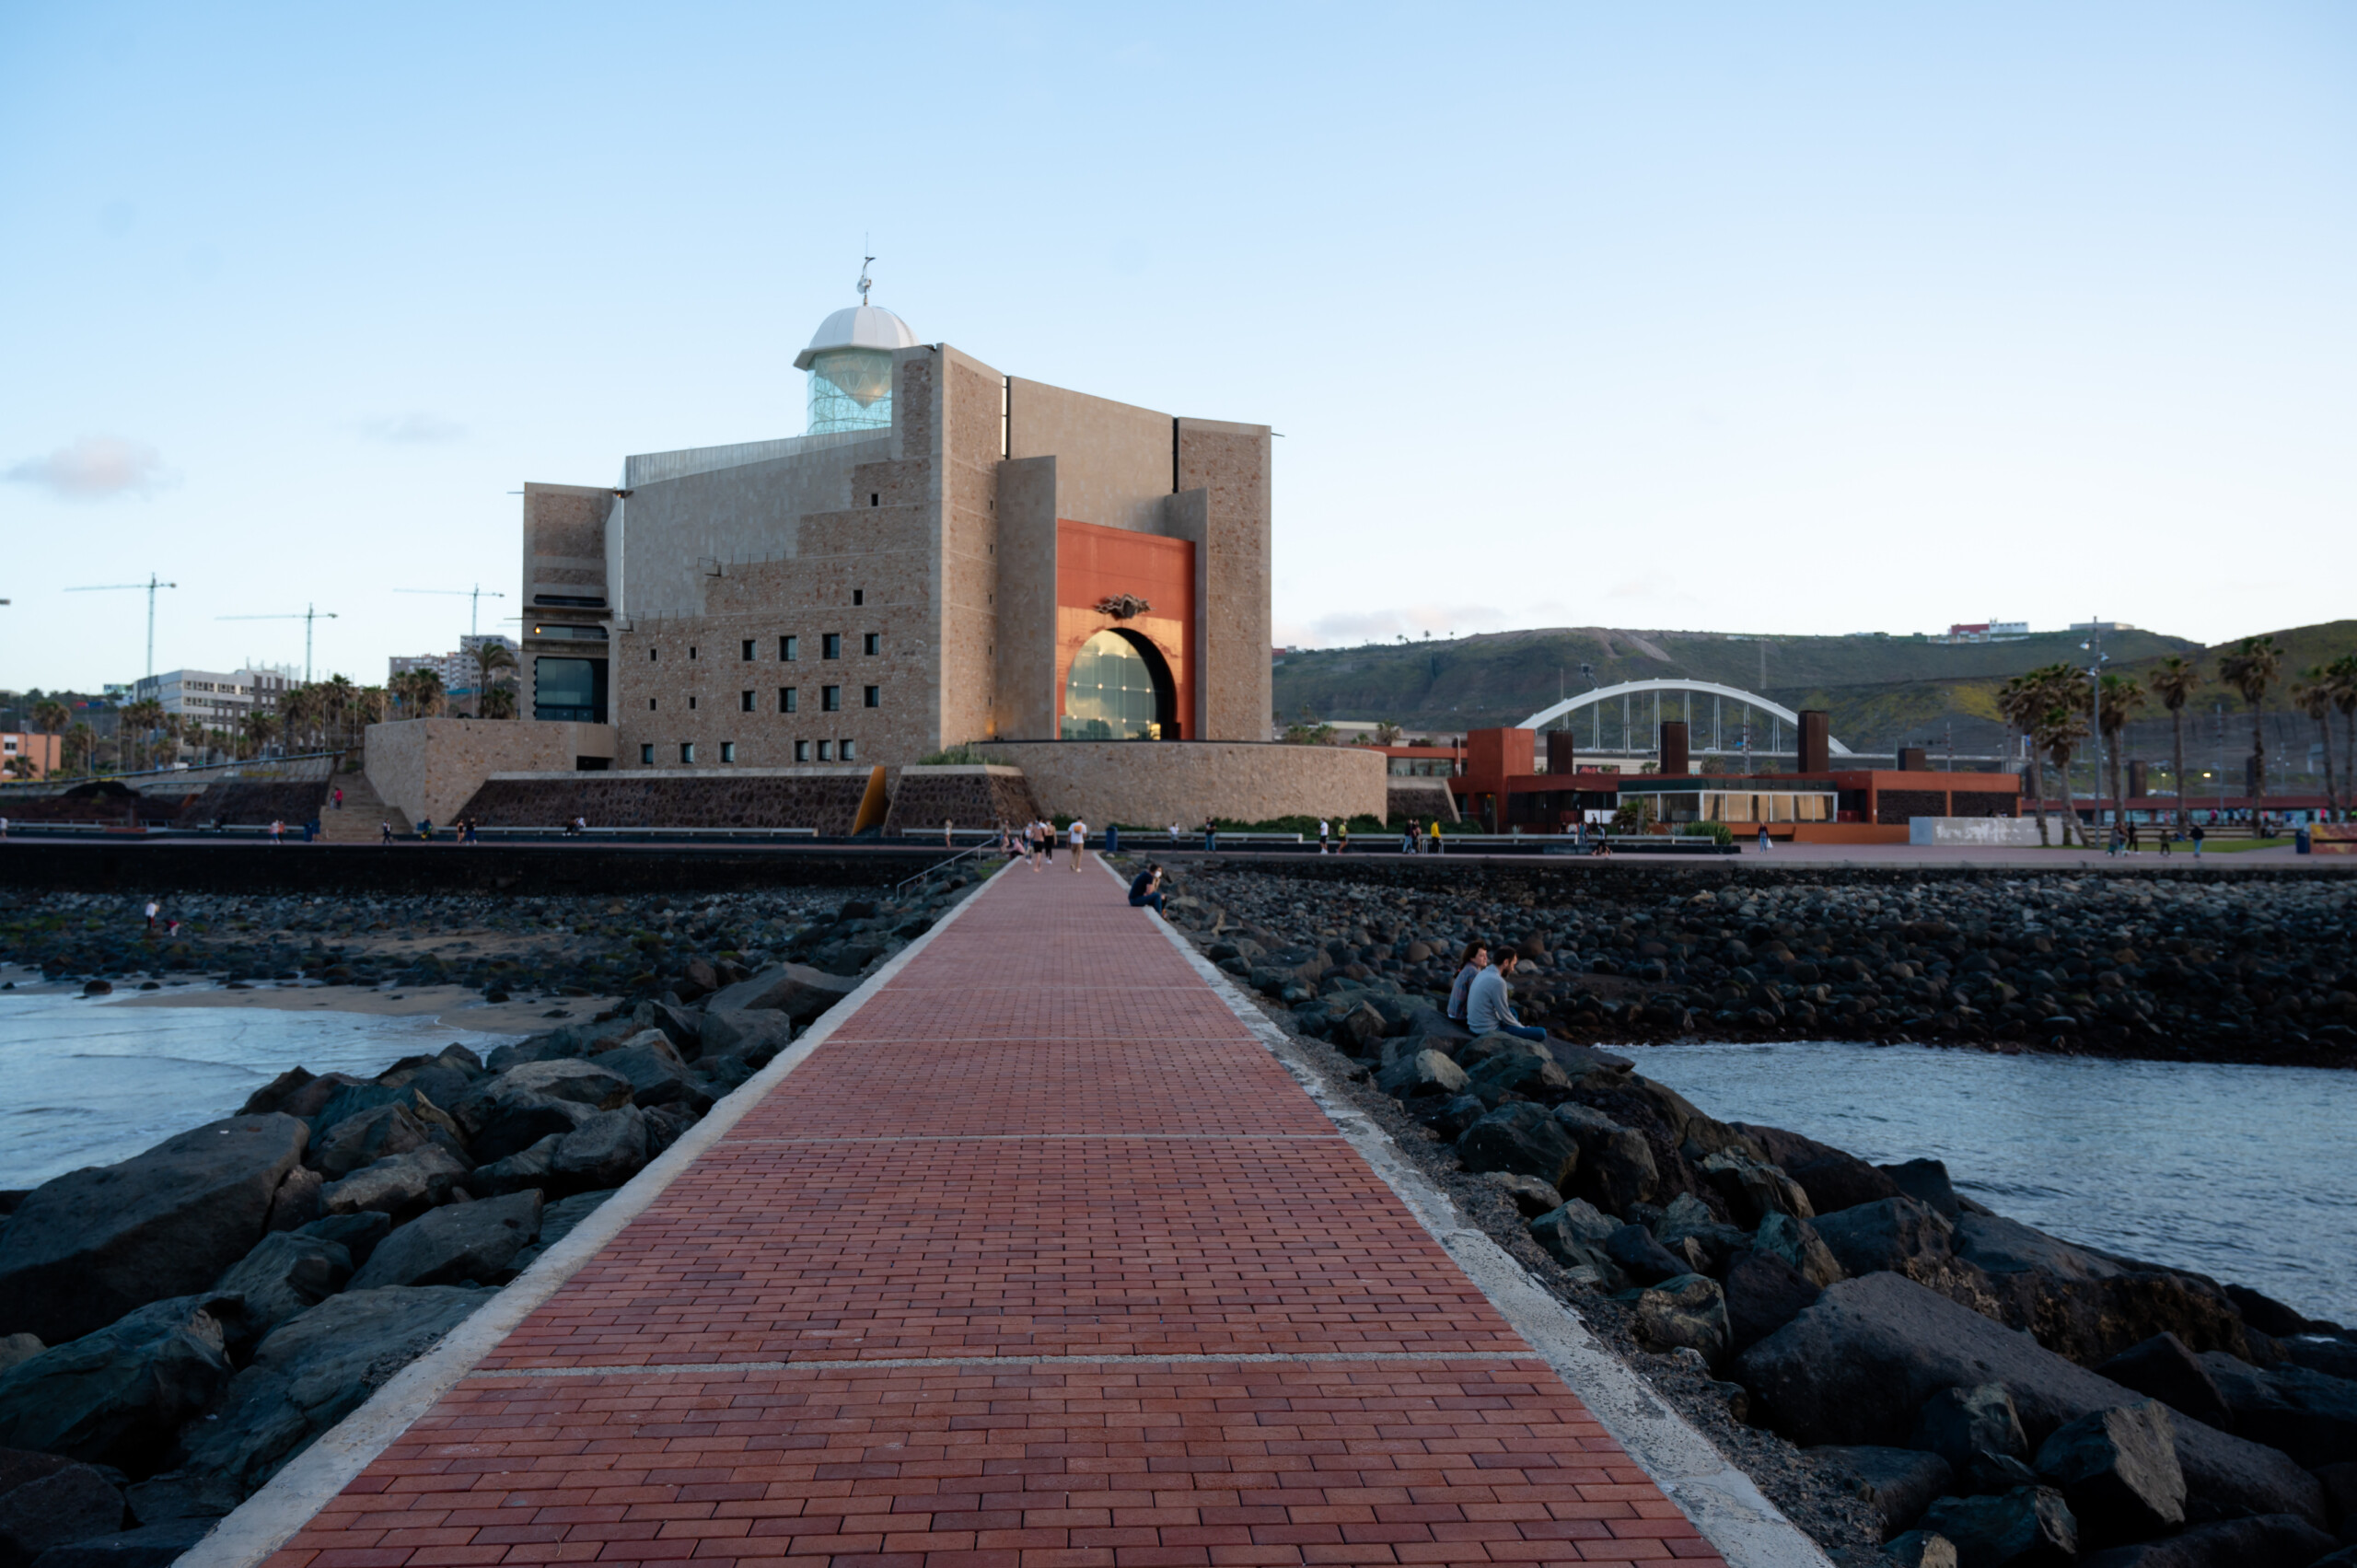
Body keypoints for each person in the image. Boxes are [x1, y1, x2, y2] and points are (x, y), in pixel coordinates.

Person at [1469, 947, 1547, 1042]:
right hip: (1487, 1031)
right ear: (1506, 962)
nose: (1513, 969)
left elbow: (1498, 1009)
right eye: (1513, 965)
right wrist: (1522, 1028)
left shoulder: (1483, 973)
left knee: (1513, 1011)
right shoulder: (1498, 982)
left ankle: (1515, 1026)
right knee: (1542, 1033)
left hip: (1474, 1026)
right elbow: (1505, 1015)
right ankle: (1517, 1029)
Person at [1446, 941, 1489, 1023]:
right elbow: (1476, 1000)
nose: (1485, 958)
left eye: (1485, 955)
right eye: (1481, 955)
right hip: (1461, 1018)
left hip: (1453, 1013)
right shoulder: (1473, 972)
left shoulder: (1467, 967)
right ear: (1472, 958)